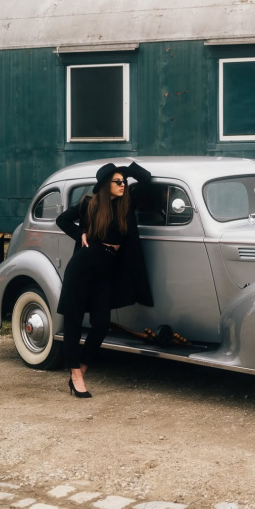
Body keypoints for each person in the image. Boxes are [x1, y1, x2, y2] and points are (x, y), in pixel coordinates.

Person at [56, 161, 153, 398]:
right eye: (117, 181)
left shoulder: (126, 204)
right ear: (105, 184)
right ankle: (75, 375)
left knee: (101, 323)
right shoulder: (89, 204)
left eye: (124, 181)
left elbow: (147, 180)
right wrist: (80, 234)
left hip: (106, 271)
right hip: (83, 266)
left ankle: (81, 369)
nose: (123, 184)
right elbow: (62, 220)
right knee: (73, 320)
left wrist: (126, 170)